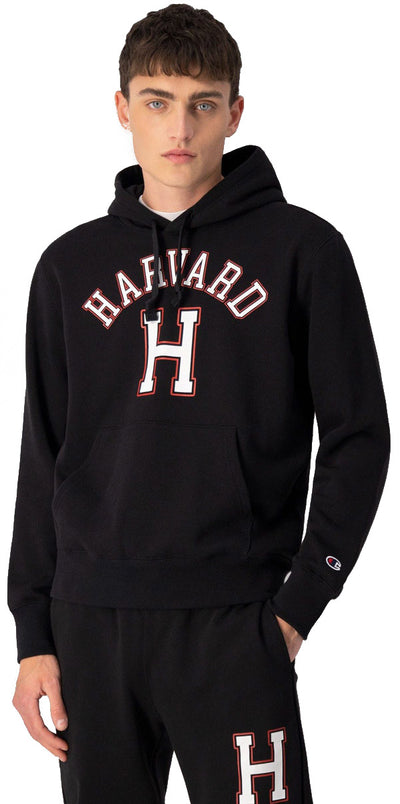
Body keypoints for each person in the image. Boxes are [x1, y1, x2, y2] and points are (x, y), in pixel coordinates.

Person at [7, 4, 390, 803]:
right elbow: (43, 452)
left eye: (202, 103)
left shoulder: (305, 250)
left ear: (234, 112)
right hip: (89, 623)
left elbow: (358, 437)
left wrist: (298, 607)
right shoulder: (69, 265)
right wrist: (32, 633)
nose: (179, 127)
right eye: (157, 101)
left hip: (235, 622)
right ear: (122, 109)